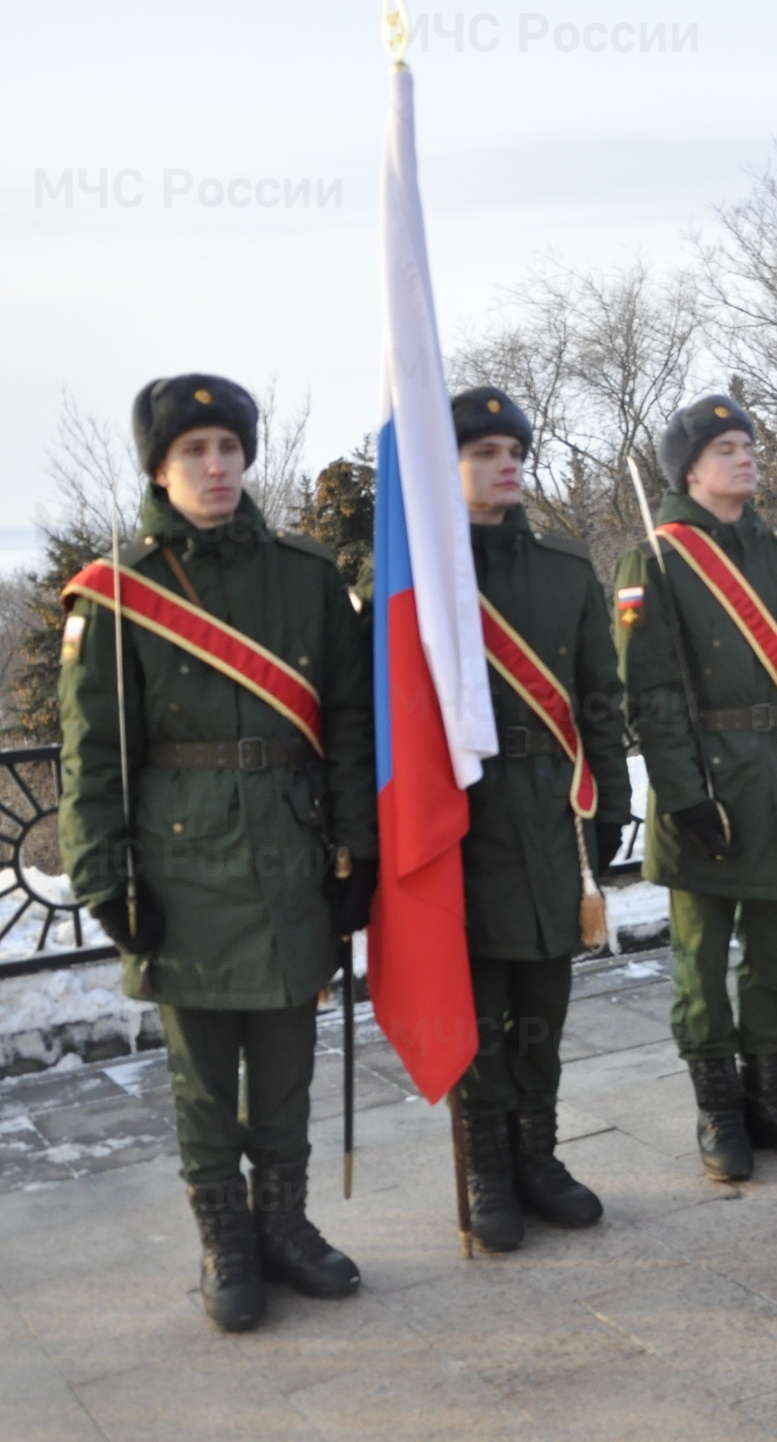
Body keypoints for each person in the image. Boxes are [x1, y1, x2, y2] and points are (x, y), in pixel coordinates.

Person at [59, 375, 374, 1331]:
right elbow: (92, 751)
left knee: (286, 1056)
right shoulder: (119, 588)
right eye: (194, 450)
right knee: (202, 1072)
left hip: (289, 843)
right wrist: (103, 873)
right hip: (180, 857)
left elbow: (353, 722)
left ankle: (283, 1225)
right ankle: (225, 1240)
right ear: (160, 466)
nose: (216, 465)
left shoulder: (307, 575)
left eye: (229, 447)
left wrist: (358, 843)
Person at [612, 395, 777, 1181]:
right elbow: (648, 696)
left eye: (748, 444)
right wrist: (683, 795)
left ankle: (770, 1097)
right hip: (708, 784)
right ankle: (718, 1108)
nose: (746, 456)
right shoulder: (653, 558)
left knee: (774, 956)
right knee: (703, 960)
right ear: (688, 469)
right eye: (726, 447)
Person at [443, 387, 633, 1251]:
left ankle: (537, 1157)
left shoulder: (564, 568)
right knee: (480, 1008)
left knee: (542, 1004)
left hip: (554, 809)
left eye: (512, 449)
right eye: (482, 452)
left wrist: (612, 800)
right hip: (465, 815)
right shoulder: (420, 579)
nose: (504, 461)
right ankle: (486, 1168)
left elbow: (600, 694)